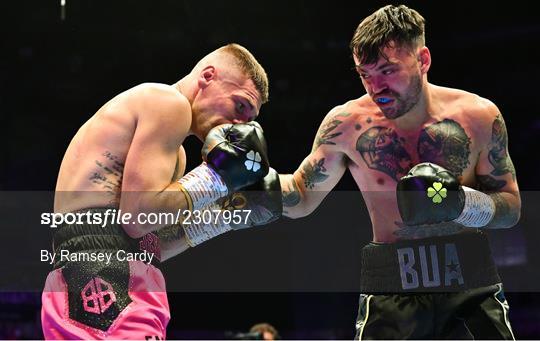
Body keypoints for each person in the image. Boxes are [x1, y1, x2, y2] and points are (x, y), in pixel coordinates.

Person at [278, 5, 520, 339]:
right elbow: (301, 195)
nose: (376, 87)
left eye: (387, 71)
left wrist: (462, 203)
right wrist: (250, 180)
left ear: (423, 60)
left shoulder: (479, 118)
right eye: (365, 74)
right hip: (391, 282)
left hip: (468, 279)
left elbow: (510, 208)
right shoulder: (346, 125)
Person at [41, 43, 282, 339]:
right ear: (208, 76)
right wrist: (218, 178)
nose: (240, 125)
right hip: (107, 278)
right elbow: (138, 218)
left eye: (249, 119)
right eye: (240, 106)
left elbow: (149, 241)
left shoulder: (176, 152)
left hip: (84, 278)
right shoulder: (169, 103)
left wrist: (222, 217)